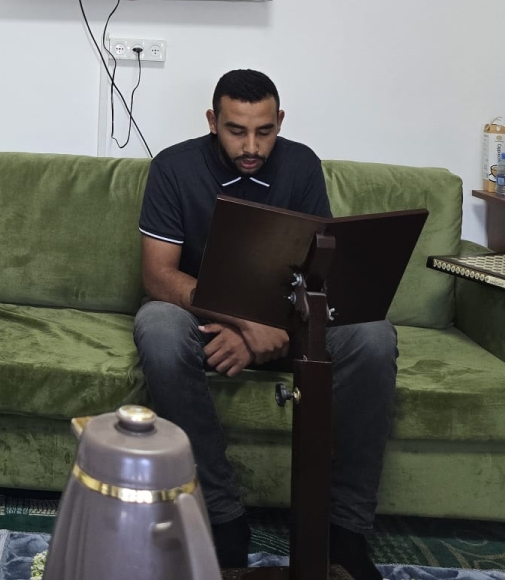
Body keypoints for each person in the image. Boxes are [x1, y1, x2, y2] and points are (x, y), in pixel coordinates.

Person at [133, 70, 395, 580]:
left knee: (374, 335)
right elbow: (158, 276)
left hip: (290, 318)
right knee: (158, 327)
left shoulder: (301, 166)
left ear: (280, 121)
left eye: (264, 131)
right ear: (213, 122)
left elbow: (319, 276)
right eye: (236, 131)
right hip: (204, 321)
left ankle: (345, 531)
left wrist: (259, 337)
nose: (251, 146)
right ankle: (220, 517)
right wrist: (242, 321)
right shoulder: (173, 167)